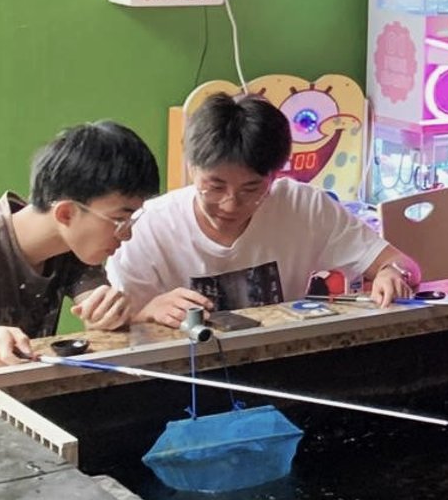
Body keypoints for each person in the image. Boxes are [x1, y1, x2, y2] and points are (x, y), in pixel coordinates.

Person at [108, 94, 421, 328]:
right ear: (191, 167)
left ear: (276, 175)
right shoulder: (149, 225)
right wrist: (148, 312)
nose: (230, 204)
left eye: (251, 189)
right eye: (214, 186)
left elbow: (403, 264)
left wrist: (392, 273)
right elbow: (113, 330)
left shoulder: (304, 207)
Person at [0, 122, 159, 364]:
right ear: (66, 214)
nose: (126, 235)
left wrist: (109, 314)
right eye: (119, 220)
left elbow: (95, 306)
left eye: (131, 220)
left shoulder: (72, 247)